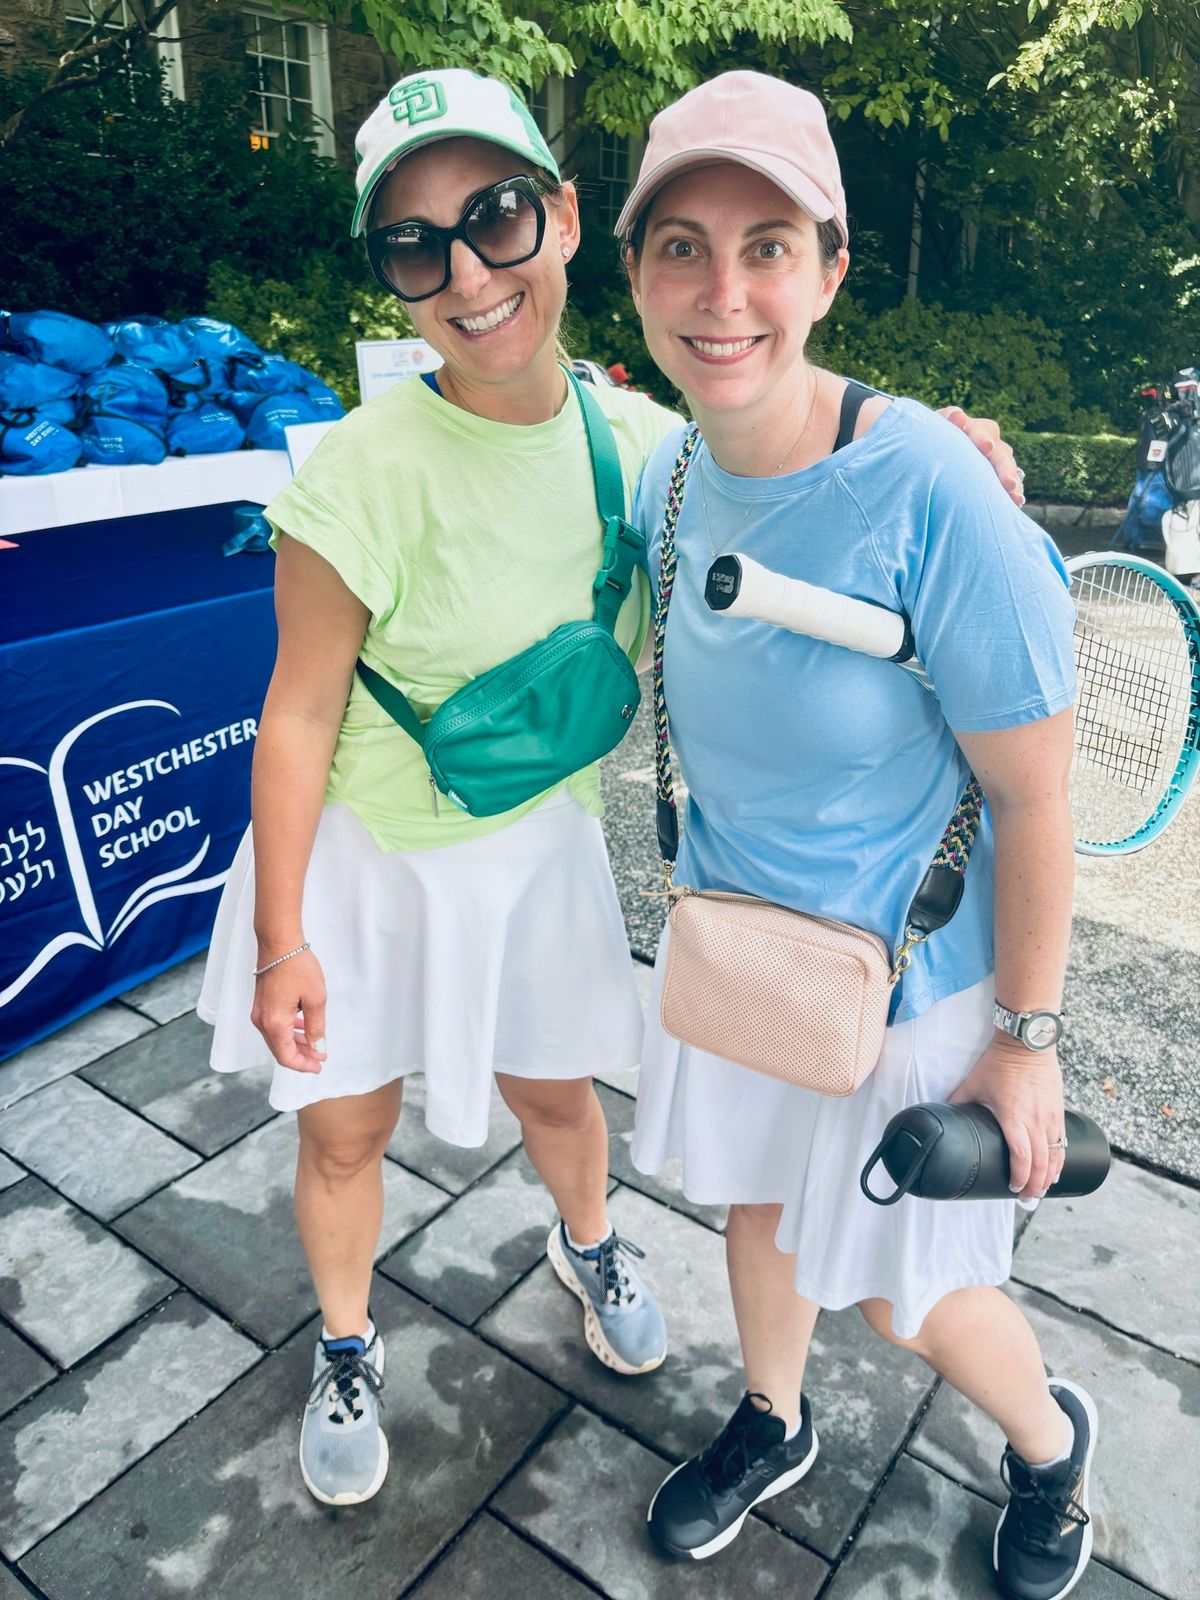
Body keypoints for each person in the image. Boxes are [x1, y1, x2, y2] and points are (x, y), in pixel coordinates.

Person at [197, 66, 1021, 1512]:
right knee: (345, 1129)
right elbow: (297, 712)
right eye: (415, 245)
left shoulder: (643, 450)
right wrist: (280, 938)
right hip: (362, 860)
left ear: (567, 222)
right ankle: (345, 1341)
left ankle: (587, 1245)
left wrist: (940, 451)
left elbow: (799, 464)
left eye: (497, 217)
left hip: (537, 856)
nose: (469, 275)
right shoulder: (359, 470)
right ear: (390, 274)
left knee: (561, 1101)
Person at [620, 72, 1095, 1600]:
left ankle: (1052, 1447)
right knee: (759, 1211)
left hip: (907, 987)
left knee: (907, 1299)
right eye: (682, 247)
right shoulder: (666, 477)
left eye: (767, 247)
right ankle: (774, 1420)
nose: (723, 292)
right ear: (635, 276)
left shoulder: (936, 489)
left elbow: (1036, 792)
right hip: (738, 960)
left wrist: (1025, 1041)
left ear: (830, 271)